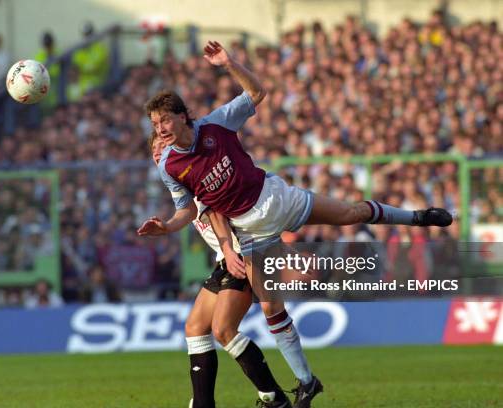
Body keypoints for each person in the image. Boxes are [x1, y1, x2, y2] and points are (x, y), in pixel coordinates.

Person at [139, 40, 452, 406]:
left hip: (276, 199)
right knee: (271, 307)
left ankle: (416, 217)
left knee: (350, 214)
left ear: (182, 116)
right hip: (249, 232)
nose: (159, 129)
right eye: (154, 124)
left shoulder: (216, 125)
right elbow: (194, 209)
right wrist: (168, 227)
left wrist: (229, 63)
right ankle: (305, 382)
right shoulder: (169, 166)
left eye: (164, 119)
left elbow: (257, 92)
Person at [150, 133, 306, 408]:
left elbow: (219, 212)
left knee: (224, 329)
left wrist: (237, 252)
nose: (157, 153)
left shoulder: (196, 176)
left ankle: (274, 398)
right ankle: (203, 403)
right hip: (225, 259)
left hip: (244, 257)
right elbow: (186, 214)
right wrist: (165, 227)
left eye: (162, 147)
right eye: (154, 149)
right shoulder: (181, 187)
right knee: (195, 327)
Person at [72, 22, 109, 95]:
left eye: (89, 34)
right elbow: (75, 70)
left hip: (99, 84)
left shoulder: (100, 48)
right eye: (85, 35)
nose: (87, 37)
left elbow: (94, 68)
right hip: (83, 86)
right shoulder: (79, 51)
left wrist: (83, 67)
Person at [34, 31, 60, 107]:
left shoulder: (58, 54)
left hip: (56, 94)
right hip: (43, 96)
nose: (48, 47)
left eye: (49, 44)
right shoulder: (38, 57)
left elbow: (57, 72)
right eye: (46, 45)